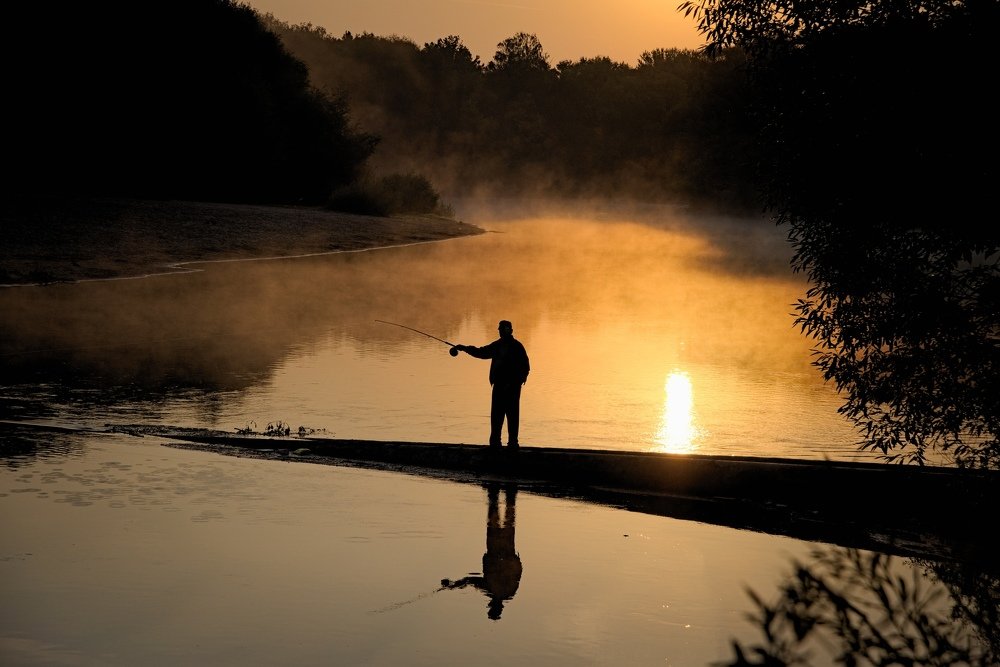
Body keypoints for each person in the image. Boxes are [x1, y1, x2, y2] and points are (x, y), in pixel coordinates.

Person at [441, 482, 522, 620]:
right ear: (496, 606)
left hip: (500, 548)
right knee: (501, 518)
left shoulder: (499, 590)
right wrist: (453, 585)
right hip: (504, 549)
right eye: (491, 606)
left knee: (501, 518)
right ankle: (504, 491)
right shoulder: (503, 591)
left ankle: (502, 491)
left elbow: (471, 581)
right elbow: (516, 571)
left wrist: (454, 585)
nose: (490, 603)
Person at [453, 320, 530, 450]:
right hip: (499, 387)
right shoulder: (497, 345)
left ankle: (513, 445)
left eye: (503, 329)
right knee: (496, 418)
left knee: (512, 418)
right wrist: (465, 348)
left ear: (510, 330)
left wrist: (515, 383)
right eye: (499, 329)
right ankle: (495, 446)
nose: (500, 331)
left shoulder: (517, 347)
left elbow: (525, 368)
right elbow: (481, 352)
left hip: (512, 389)